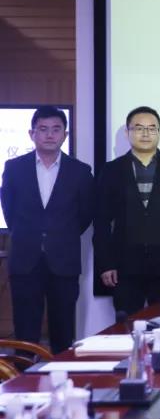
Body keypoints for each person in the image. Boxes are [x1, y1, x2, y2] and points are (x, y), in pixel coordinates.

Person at [0, 106, 94, 354]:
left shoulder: (80, 171)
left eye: (56, 129)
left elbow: (85, 214)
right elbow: (9, 209)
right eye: (43, 129)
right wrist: (30, 234)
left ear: (65, 134)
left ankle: (62, 375)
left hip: (64, 260)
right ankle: (23, 375)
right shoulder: (14, 168)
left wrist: (60, 235)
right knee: (25, 331)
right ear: (32, 134)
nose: (49, 135)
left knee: (63, 331)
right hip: (25, 259)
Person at [94, 106, 160, 316]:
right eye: (139, 128)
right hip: (124, 266)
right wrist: (105, 263)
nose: (145, 133)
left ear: (159, 133)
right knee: (126, 326)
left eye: (152, 128)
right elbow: (101, 221)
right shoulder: (111, 170)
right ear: (127, 133)